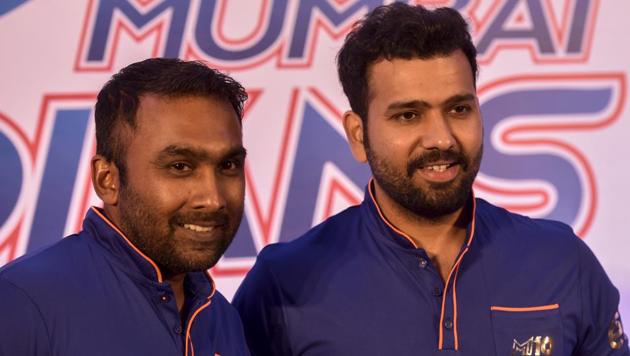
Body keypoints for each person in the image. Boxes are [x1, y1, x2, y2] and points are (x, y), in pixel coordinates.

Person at [233, 3, 628, 355]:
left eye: (458, 108)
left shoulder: (561, 260)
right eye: (408, 115)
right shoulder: (282, 284)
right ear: (358, 135)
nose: (441, 138)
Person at [0, 58, 250, 356]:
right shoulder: (22, 303)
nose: (213, 198)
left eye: (228, 165)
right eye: (180, 166)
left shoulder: (223, 318)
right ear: (107, 180)